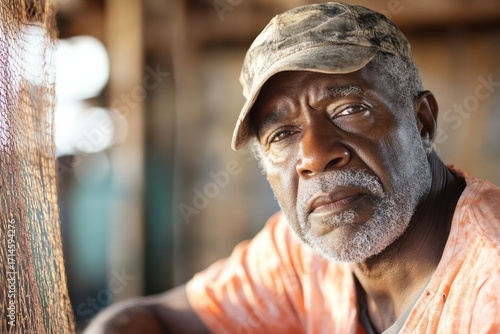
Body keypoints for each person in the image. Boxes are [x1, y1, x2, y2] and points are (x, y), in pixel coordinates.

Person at [84, 2, 500, 333]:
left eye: (349, 109)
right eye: (282, 134)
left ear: (423, 121)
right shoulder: (303, 255)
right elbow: (150, 320)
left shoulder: (489, 280)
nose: (314, 155)